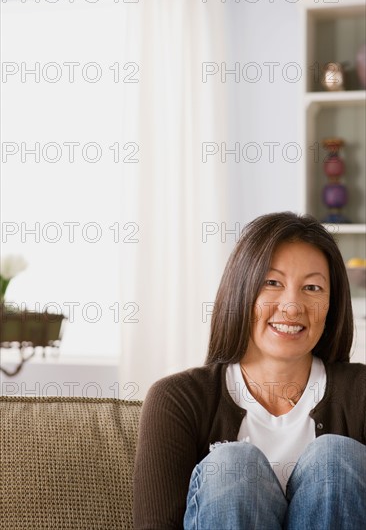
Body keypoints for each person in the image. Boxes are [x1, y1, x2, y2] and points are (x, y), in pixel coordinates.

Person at [133, 211, 366, 530]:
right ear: (241, 290)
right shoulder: (177, 399)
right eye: (272, 282)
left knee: (334, 458)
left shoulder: (361, 394)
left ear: (332, 305)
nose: (292, 306)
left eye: (312, 288)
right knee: (234, 464)